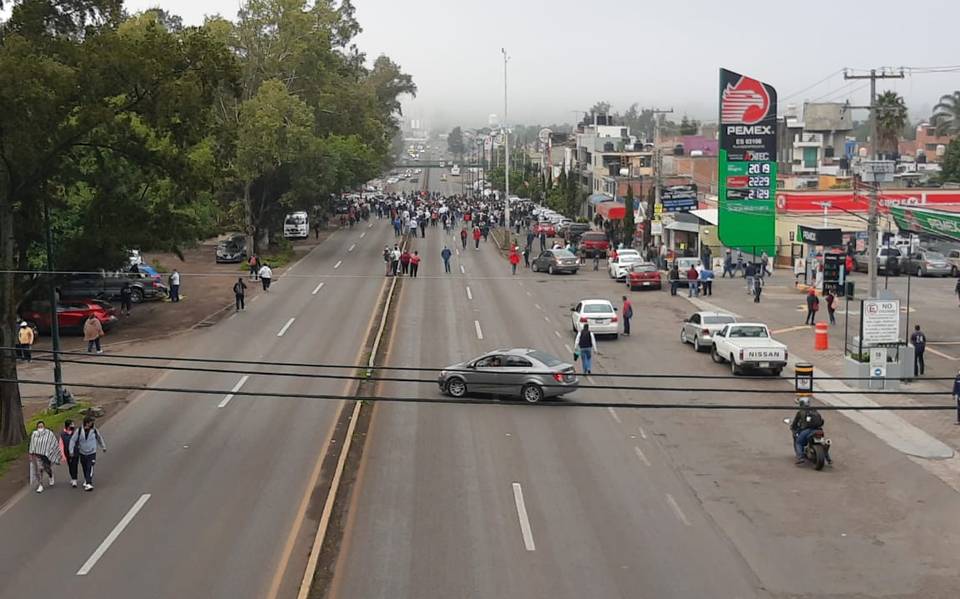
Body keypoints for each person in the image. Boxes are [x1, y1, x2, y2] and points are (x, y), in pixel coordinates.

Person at [69, 416, 106, 491]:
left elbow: (99, 438)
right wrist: (71, 451)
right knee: (85, 467)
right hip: (82, 452)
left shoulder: (94, 430)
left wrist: (103, 446)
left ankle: (89, 483)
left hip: (92, 452)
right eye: (91, 422)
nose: (92, 423)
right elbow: (73, 440)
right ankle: (86, 479)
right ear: (87, 423)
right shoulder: (79, 431)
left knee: (90, 466)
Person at [790, 396, 830, 465]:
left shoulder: (800, 412)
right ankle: (828, 459)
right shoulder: (814, 410)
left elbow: (795, 422)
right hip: (819, 430)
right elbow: (822, 421)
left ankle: (800, 457)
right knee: (822, 443)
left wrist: (793, 427)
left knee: (798, 442)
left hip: (807, 430)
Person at [29, 420, 60, 493]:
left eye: (42, 426)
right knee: (39, 469)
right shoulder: (34, 434)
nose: (40, 428)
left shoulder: (49, 434)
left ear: (44, 426)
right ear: (37, 427)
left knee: (47, 468)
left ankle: (50, 475)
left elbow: (53, 442)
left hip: (46, 455)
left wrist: (52, 451)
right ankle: (40, 485)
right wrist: (31, 453)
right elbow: (32, 444)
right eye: (39, 426)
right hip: (37, 455)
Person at [60, 419, 79, 488]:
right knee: (70, 466)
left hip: (75, 452)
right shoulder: (63, 434)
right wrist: (63, 455)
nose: (73, 425)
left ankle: (74, 479)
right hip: (67, 453)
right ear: (68, 426)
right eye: (71, 424)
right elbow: (61, 445)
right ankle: (72, 477)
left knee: (75, 465)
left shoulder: (75, 432)